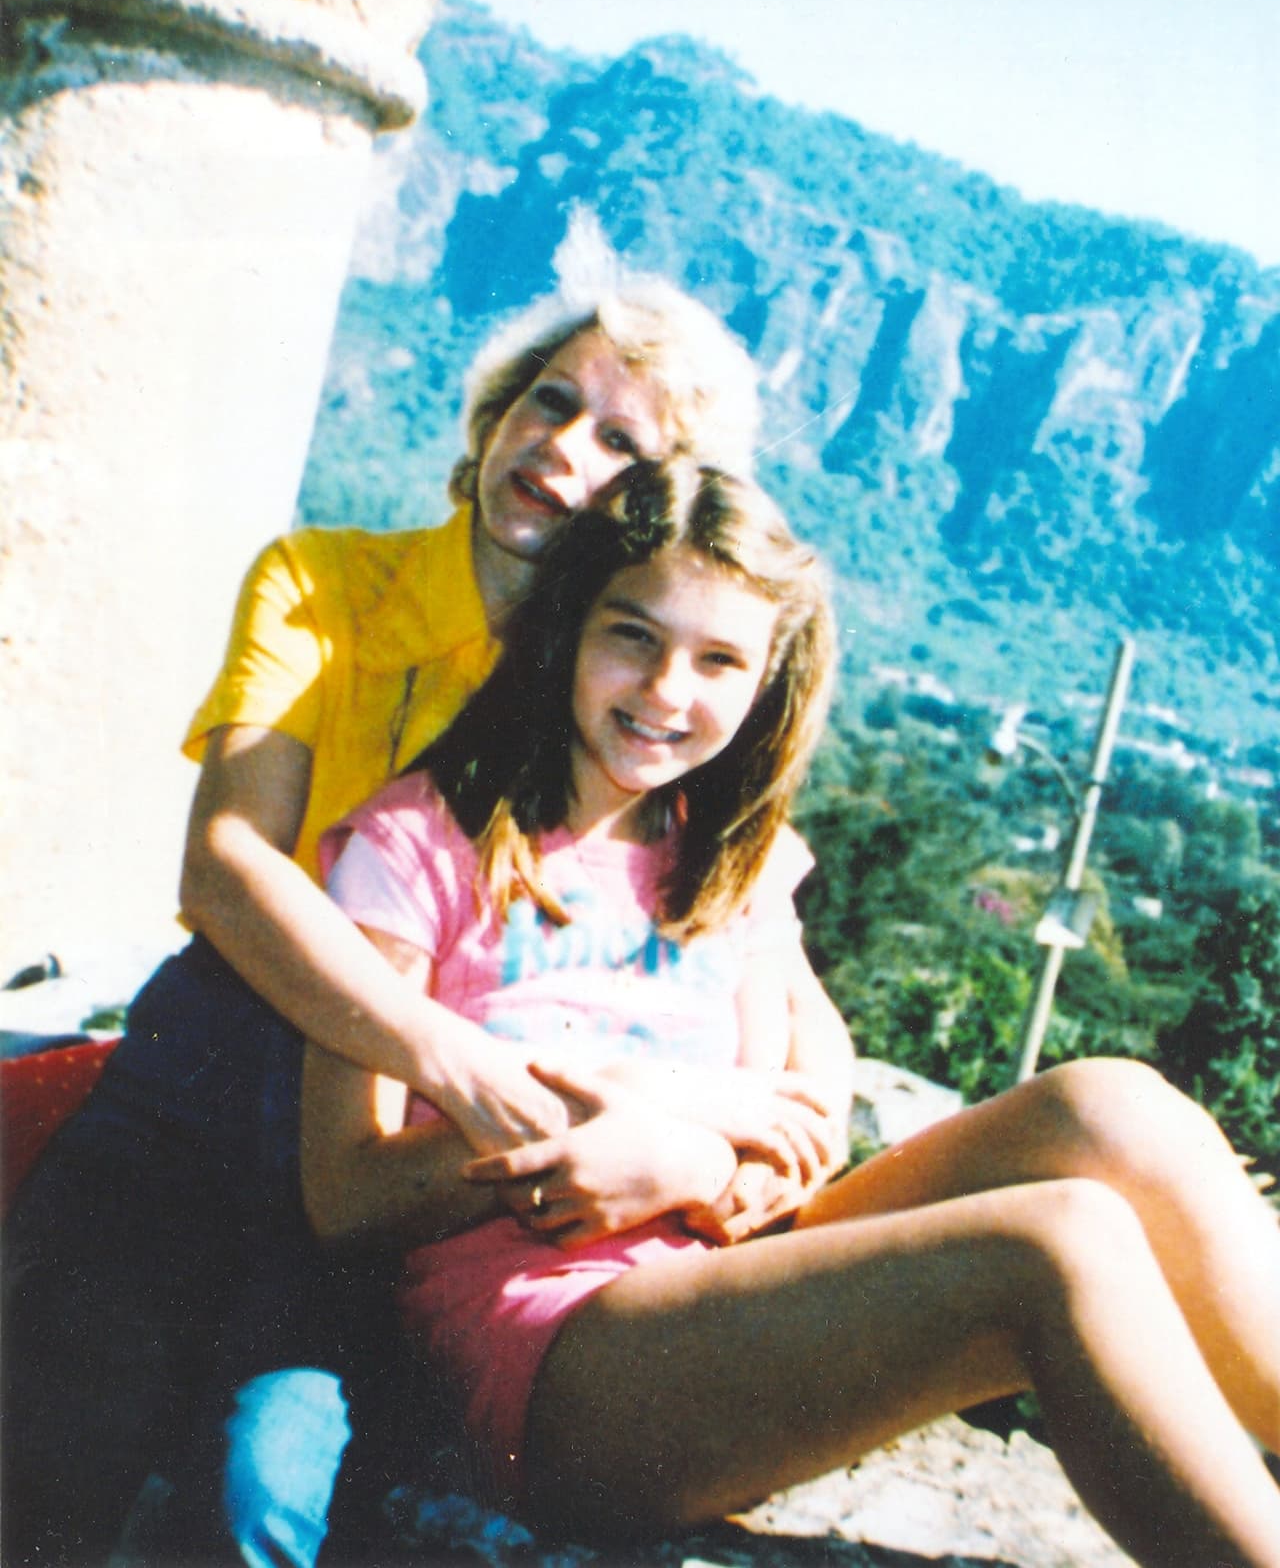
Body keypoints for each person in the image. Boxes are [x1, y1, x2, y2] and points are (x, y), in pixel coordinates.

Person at [1, 275, 851, 1568]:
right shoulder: (326, 583)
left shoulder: (632, 687)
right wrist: (451, 1055)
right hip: (230, 1072)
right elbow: (230, 860)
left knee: (267, 1486)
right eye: (547, 401)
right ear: (490, 414)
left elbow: (770, 955)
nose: (563, 446)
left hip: (424, 1169)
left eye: (620, 441)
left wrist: (773, 1132)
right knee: (66, 1417)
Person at [303, 464, 1280, 1568]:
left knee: (1109, 1109)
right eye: (633, 636)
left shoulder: (724, 857)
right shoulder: (418, 846)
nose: (667, 690)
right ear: (566, 626)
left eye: (718, 659)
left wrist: (691, 1156)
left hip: (734, 1273)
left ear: (769, 675)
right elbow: (342, 1193)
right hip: (557, 1351)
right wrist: (586, 1136)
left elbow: (808, 1108)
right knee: (1059, 1246)